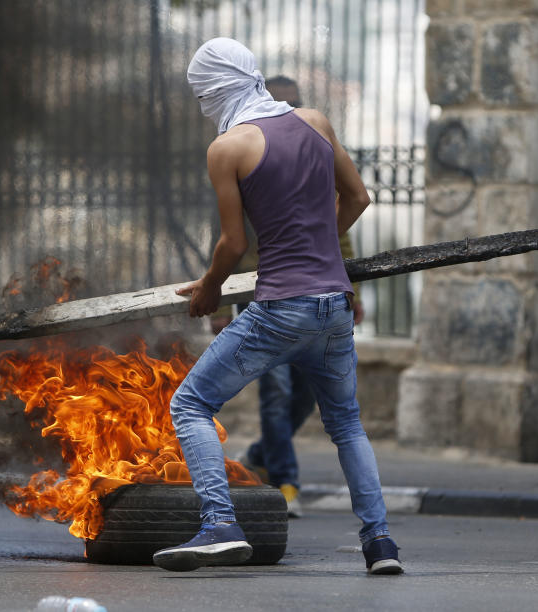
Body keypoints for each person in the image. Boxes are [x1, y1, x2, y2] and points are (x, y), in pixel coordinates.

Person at [152, 37, 401, 575]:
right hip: (333, 305)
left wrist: (211, 287)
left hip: (279, 309)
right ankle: (380, 544)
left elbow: (233, 245)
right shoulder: (315, 121)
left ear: (213, 91)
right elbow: (357, 197)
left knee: (190, 405)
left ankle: (220, 524)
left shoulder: (229, 149)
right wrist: (323, 255)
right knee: (347, 426)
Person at [213, 75, 366, 518]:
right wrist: (221, 300)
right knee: (278, 394)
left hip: (320, 287)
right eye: (282, 103)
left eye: (295, 104)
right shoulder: (242, 150)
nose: (288, 113)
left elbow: (345, 207)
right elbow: (228, 237)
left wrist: (346, 284)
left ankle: (261, 455)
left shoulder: (313, 138)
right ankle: (285, 483)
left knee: (307, 398)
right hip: (265, 294)